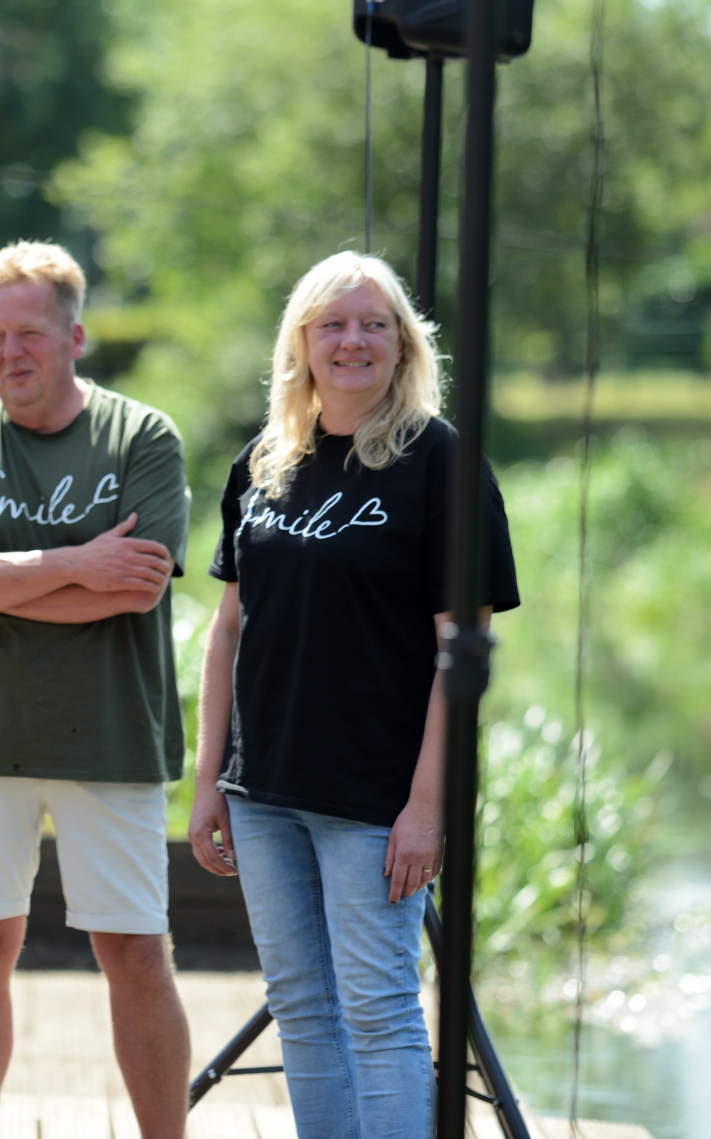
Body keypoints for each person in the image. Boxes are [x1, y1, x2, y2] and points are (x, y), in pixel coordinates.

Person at [188, 252, 519, 1138]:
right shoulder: (264, 462)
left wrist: (428, 806)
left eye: (375, 323)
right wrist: (210, 776)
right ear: (301, 341)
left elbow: (462, 653)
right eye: (333, 323)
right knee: (302, 1007)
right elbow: (229, 629)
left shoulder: (440, 462)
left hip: (375, 797)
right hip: (264, 791)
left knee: (378, 1010)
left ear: (404, 343)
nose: (353, 341)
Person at [0, 241, 191, 1139]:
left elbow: (136, 588)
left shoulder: (141, 437)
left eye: (29, 333)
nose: (9, 352)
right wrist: (78, 562)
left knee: (135, 954)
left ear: (74, 337)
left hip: (110, 737)